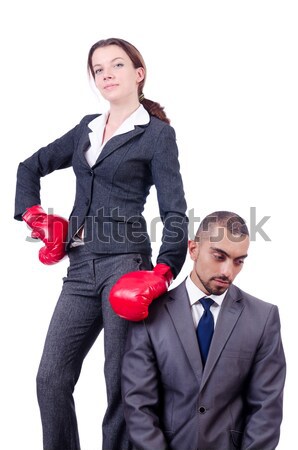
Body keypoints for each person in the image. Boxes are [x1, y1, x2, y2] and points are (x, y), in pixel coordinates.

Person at [14, 37, 188, 450]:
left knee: (121, 384)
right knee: (51, 378)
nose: (107, 73)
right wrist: (33, 215)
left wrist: (164, 270)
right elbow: (29, 167)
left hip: (125, 266)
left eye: (117, 65)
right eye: (98, 69)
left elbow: (176, 213)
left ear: (138, 74)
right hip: (79, 267)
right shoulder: (85, 128)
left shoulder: (157, 136)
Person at [122, 211, 286, 450]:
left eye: (239, 261)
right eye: (219, 256)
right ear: (193, 249)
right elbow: (138, 404)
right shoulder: (150, 315)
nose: (228, 271)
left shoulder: (263, 317)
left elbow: (266, 409)